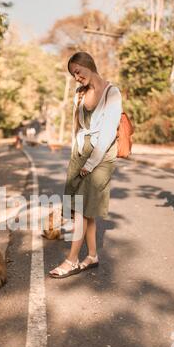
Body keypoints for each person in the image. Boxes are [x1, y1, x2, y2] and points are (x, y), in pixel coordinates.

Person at [49, 51, 122, 278]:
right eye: (73, 75)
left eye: (78, 72)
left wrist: (90, 163)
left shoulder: (112, 92)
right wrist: (75, 154)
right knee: (84, 209)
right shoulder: (79, 93)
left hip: (100, 157)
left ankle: (71, 260)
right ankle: (92, 255)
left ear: (87, 64)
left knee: (81, 208)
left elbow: (109, 132)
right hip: (81, 153)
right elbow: (77, 127)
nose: (77, 77)